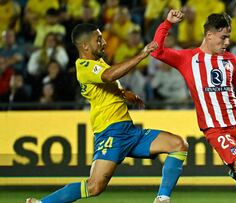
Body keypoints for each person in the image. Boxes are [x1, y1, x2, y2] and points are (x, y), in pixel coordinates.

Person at [26, 23, 188, 203]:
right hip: (110, 132)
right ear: (85, 45)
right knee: (94, 187)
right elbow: (109, 76)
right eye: (99, 39)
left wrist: (125, 94)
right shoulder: (84, 66)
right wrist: (142, 54)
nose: (104, 43)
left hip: (129, 131)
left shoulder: (99, 62)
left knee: (178, 144)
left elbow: (108, 84)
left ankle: (162, 198)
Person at [151, 10, 236, 203]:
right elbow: (156, 51)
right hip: (216, 129)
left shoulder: (230, 59)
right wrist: (167, 23)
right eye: (223, 37)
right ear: (209, 35)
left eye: (228, 38)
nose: (227, 42)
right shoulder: (188, 58)